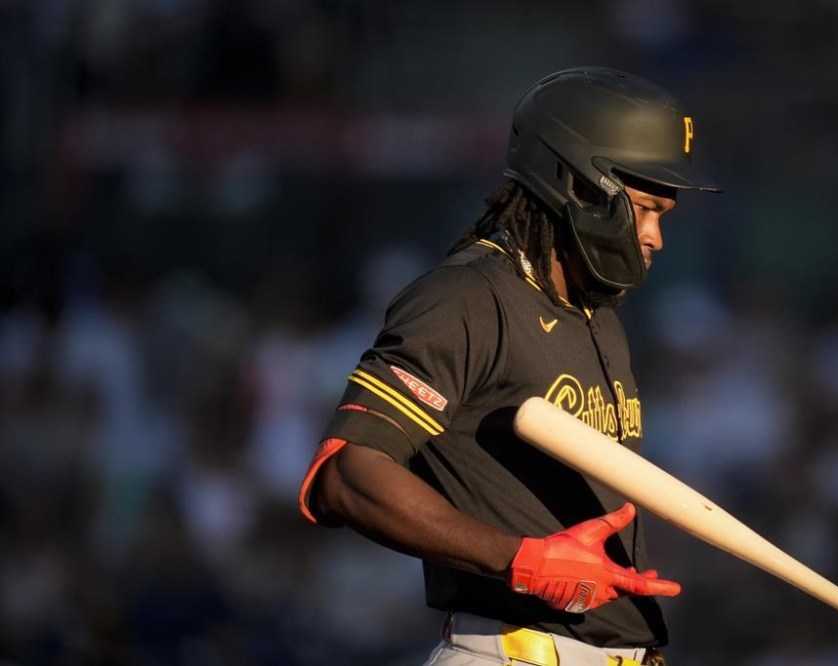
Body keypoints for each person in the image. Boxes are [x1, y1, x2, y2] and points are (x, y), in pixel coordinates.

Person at [297, 66, 722, 666]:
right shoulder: (467, 297)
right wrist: (519, 559)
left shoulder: (598, 315)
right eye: (646, 208)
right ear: (580, 185)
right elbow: (345, 474)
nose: (655, 237)